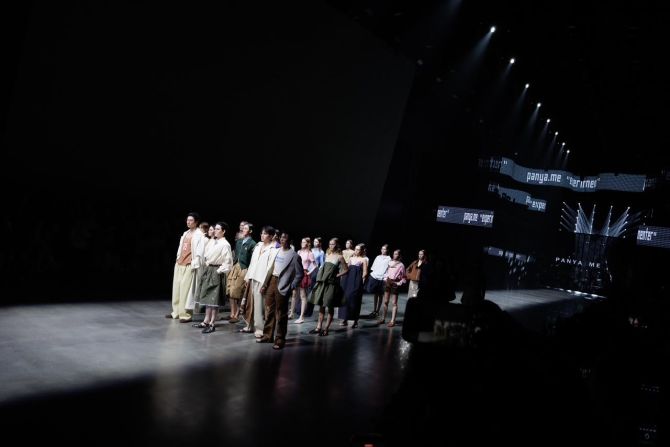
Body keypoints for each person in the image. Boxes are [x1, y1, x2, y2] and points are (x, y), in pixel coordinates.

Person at [257, 232, 303, 349]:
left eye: (285, 238)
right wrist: (265, 284)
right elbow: (270, 268)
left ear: (290, 240)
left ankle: (280, 339)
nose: (282, 239)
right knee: (269, 310)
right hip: (272, 280)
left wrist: (292, 286)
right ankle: (267, 335)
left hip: (283, 284)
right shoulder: (276, 251)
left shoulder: (294, 256)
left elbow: (299, 274)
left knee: (281, 313)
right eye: (281, 237)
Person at [193, 222, 233, 333]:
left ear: (223, 231)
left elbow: (228, 262)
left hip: (216, 270)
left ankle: (212, 323)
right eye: (215, 228)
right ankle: (206, 320)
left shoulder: (225, 244)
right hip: (208, 269)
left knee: (214, 299)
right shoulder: (213, 241)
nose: (215, 231)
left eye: (218, 229)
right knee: (207, 297)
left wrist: (219, 271)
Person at [242, 226, 279, 337]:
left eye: (265, 234)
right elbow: (252, 262)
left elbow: (270, 268)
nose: (262, 235)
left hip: (261, 279)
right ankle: (249, 325)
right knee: (250, 303)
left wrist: (265, 283)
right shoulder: (258, 246)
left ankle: (259, 329)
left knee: (259, 306)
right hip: (252, 277)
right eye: (262, 233)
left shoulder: (274, 249)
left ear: (271, 236)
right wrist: (248, 277)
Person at [166, 212, 204, 321]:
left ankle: (186, 314)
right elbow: (181, 247)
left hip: (189, 265)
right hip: (180, 263)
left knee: (185, 290)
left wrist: (194, 263)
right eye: (187, 220)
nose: (188, 222)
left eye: (191, 220)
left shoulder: (199, 235)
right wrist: (178, 258)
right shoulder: (185, 233)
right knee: (177, 288)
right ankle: (176, 312)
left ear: (196, 222)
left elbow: (200, 252)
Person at [308, 238, 348, 336]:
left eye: (333, 244)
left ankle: (326, 329)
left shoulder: (340, 257)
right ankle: (318, 327)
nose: (331, 246)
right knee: (321, 305)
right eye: (330, 244)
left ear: (337, 245)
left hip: (332, 284)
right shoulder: (327, 255)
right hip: (324, 282)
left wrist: (337, 275)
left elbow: (346, 269)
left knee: (330, 305)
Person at [227, 222, 256, 323]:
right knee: (230, 290)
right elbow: (235, 254)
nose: (243, 230)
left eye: (246, 228)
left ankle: (237, 314)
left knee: (239, 291)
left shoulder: (252, 243)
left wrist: (249, 273)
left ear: (250, 231)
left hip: (244, 268)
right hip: (235, 266)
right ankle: (232, 313)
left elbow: (252, 260)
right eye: (243, 228)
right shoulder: (239, 242)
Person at [338, 243, 369, 328]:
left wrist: (361, 282)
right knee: (346, 298)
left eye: (358, 249)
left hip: (356, 280)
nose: (356, 251)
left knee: (354, 299)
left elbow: (365, 272)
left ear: (362, 251)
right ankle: (344, 318)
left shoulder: (364, 260)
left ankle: (355, 320)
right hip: (348, 280)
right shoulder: (351, 258)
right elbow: (347, 269)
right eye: (355, 249)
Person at [379, 249, 406, 327]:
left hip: (395, 283)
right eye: (394, 254)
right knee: (385, 301)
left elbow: (404, 277)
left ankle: (392, 321)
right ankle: (383, 318)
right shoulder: (390, 262)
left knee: (394, 303)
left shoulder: (401, 265)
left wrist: (399, 283)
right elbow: (386, 272)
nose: (395, 255)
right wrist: (385, 278)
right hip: (388, 282)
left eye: (396, 254)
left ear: (399, 255)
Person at [293, 237, 317, 323]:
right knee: (295, 294)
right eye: (302, 242)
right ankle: (292, 312)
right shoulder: (299, 252)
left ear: (308, 243)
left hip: (304, 274)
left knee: (303, 296)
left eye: (304, 242)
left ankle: (302, 316)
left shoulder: (310, 253)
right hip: (296, 273)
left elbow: (315, 265)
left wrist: (309, 273)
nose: (302, 243)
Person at [365, 244, 391, 318]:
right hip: (375, 277)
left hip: (382, 278)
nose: (383, 250)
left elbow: (388, 269)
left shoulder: (389, 259)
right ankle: (374, 310)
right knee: (375, 294)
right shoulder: (378, 257)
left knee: (380, 295)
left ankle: (377, 311)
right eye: (382, 249)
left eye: (384, 249)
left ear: (387, 250)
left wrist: (385, 277)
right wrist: (373, 274)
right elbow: (374, 267)